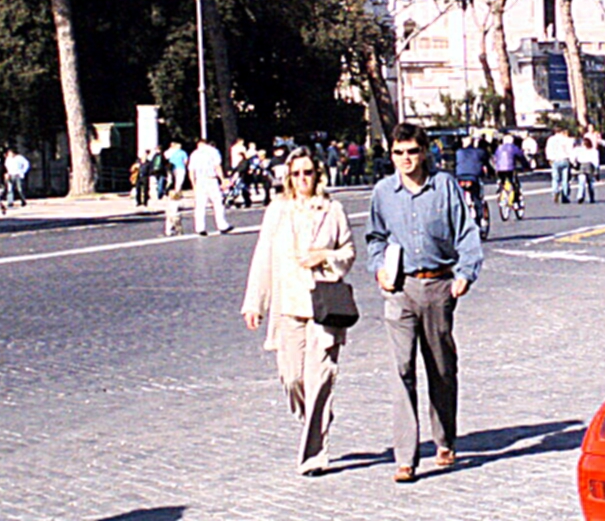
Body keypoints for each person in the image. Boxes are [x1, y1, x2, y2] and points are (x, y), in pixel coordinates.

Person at [366, 122, 483, 484]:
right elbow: (374, 237)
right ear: (391, 155)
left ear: (425, 153)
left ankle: (444, 439)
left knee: (441, 368)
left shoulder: (444, 186)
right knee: (402, 369)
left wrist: (465, 272)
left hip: (438, 288)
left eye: (412, 152)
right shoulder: (384, 192)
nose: (406, 159)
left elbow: (466, 231)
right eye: (399, 152)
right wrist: (378, 269)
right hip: (400, 290)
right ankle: (406, 456)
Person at [241, 147, 357, 475]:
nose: (302, 179)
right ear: (288, 177)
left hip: (324, 308)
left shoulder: (333, 209)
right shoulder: (278, 211)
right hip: (289, 307)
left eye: (308, 173)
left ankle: (314, 455)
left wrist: (325, 256)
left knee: (320, 379)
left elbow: (348, 252)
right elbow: (263, 257)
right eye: (296, 174)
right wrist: (255, 303)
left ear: (317, 175)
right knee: (292, 378)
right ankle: (316, 418)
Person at [187, 138, 234, 236]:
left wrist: (193, 184)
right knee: (217, 203)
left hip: (200, 180)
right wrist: (222, 179)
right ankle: (222, 225)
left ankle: (200, 228)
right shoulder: (213, 151)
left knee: (200, 205)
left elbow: (191, 171)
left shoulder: (194, 154)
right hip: (211, 179)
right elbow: (217, 166)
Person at [492, 133, 525, 207]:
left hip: (499, 168)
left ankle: (500, 190)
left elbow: (495, 158)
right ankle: (516, 201)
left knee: (502, 181)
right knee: (514, 183)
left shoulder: (499, 148)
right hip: (510, 168)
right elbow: (521, 156)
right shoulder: (513, 147)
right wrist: (526, 166)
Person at [545, 129, 573, 203]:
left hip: (555, 160)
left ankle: (555, 191)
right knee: (565, 179)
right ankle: (565, 195)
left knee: (555, 178)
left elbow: (548, 150)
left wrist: (549, 159)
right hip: (565, 159)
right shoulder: (566, 139)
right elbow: (570, 150)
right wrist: (572, 160)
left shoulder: (550, 140)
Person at [572, 133, 599, 204]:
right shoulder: (593, 151)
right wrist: (596, 170)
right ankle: (591, 197)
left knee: (582, 182)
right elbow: (596, 161)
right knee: (590, 183)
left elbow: (573, 157)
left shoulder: (578, 150)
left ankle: (580, 196)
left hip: (582, 166)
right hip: (590, 166)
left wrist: (574, 163)